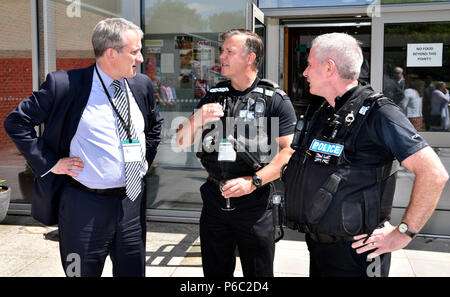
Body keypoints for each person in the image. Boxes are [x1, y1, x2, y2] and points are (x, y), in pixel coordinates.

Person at [4, 18, 163, 277]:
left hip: (131, 204)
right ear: (111, 53)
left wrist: (144, 160)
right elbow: (16, 121)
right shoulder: (65, 85)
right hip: (84, 207)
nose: (141, 58)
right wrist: (50, 163)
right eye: (135, 51)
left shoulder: (141, 85)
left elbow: (155, 126)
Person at [282, 33, 448, 277]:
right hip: (320, 248)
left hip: (358, 255)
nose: (305, 73)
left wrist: (403, 232)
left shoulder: (379, 112)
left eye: (309, 65)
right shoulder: (325, 110)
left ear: (329, 67)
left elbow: (434, 173)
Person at [176, 29, 296, 277]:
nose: (222, 56)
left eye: (229, 51)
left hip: (255, 202)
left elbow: (289, 152)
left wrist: (254, 182)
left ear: (250, 58)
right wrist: (197, 118)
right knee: (215, 273)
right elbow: (180, 140)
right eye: (222, 51)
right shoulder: (213, 95)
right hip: (214, 200)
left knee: (258, 274)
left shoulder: (274, 99)